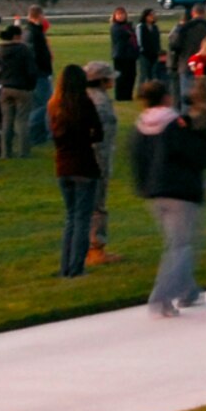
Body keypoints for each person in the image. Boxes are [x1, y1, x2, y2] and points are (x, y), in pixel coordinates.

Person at [131, 81, 206, 316]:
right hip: (181, 191)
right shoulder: (175, 124)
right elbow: (196, 156)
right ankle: (161, 298)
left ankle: (188, 291)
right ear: (166, 97)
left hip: (154, 193)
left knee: (175, 244)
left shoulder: (139, 126)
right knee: (181, 247)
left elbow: (138, 162)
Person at [48, 64, 105, 278]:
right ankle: (77, 268)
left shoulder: (53, 105)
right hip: (84, 165)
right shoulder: (84, 103)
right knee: (82, 219)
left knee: (71, 218)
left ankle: (65, 267)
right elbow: (98, 133)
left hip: (62, 165)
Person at [82, 61, 124, 266]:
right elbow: (100, 139)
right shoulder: (100, 104)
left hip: (78, 160)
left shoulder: (80, 98)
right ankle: (96, 248)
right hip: (97, 160)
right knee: (97, 205)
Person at [0, 24, 39, 157]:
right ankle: (24, 152)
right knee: (22, 121)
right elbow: (31, 71)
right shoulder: (23, 49)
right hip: (22, 88)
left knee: (7, 121)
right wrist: (31, 86)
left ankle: (5, 152)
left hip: (4, 88)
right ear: (17, 36)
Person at [169, 5, 206, 107]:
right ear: (204, 13)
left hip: (186, 64)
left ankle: (187, 119)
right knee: (205, 97)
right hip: (205, 66)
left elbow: (175, 46)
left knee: (187, 98)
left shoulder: (184, 28)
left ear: (193, 13)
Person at [24, 5, 56, 150]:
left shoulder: (28, 31)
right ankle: (34, 135)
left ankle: (39, 134)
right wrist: (45, 67)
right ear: (40, 15)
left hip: (34, 74)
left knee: (37, 105)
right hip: (40, 74)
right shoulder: (35, 32)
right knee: (43, 105)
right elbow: (38, 55)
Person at [109, 7, 140, 101]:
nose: (121, 16)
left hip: (130, 55)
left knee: (131, 75)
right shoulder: (115, 27)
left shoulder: (128, 26)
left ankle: (128, 95)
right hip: (120, 55)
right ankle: (120, 96)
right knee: (121, 77)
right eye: (118, 14)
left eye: (122, 14)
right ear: (115, 16)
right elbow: (124, 36)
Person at [135, 8, 166, 90]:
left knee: (153, 74)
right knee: (143, 74)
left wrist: (159, 51)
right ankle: (140, 91)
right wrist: (142, 50)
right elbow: (139, 40)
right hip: (144, 54)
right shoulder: (141, 27)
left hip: (155, 53)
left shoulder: (155, 27)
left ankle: (151, 91)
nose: (153, 17)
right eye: (151, 15)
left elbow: (158, 40)